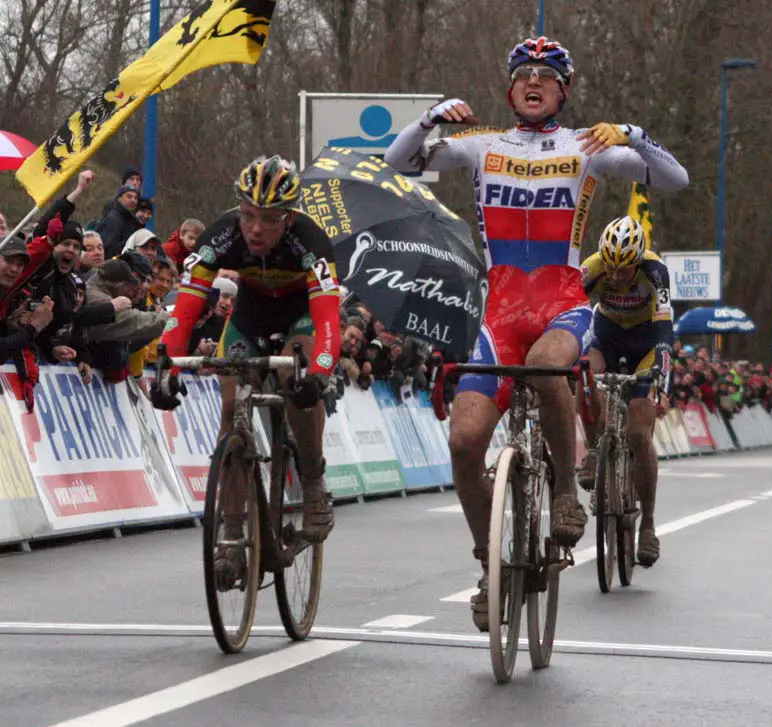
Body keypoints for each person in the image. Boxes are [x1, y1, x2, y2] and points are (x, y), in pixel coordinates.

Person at [384, 36, 688, 631]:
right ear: (509, 87)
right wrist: (428, 120)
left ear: (563, 91)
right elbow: (397, 162)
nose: (534, 81)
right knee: (464, 441)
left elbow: (674, 178)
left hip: (562, 306)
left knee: (551, 368)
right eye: (524, 73)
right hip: (496, 315)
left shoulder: (587, 147)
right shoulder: (480, 145)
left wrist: (630, 132)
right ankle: (485, 564)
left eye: (547, 75)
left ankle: (569, 497)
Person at [152, 155, 342, 588]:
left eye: (270, 219)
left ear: (289, 218)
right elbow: (184, 310)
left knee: (297, 379)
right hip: (250, 316)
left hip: (301, 318)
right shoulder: (221, 237)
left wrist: (320, 370)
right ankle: (232, 534)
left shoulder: (310, 241)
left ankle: (313, 480)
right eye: (248, 215)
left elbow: (329, 321)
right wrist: (167, 366)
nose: (255, 229)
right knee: (230, 412)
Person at [577, 216, 673, 567]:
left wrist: (662, 369)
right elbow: (568, 307)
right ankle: (592, 451)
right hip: (607, 334)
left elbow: (664, 328)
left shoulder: (655, 271)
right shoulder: (593, 268)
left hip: (647, 342)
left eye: (624, 271)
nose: (615, 276)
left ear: (637, 261)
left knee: (638, 432)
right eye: (611, 270)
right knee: (584, 375)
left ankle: (647, 524)